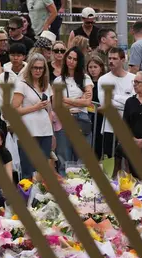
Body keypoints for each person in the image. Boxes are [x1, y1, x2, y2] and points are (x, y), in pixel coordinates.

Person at [12, 53, 54, 179]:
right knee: (28, 168)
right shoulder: (22, 85)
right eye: (35, 67)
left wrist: (52, 133)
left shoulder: (46, 86)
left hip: (45, 130)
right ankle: (26, 196)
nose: (38, 70)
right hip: (28, 130)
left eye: (40, 68)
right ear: (30, 68)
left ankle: (40, 196)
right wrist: (35, 107)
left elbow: (50, 110)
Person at [53, 47, 93, 175]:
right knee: (63, 155)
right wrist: (77, 100)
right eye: (69, 58)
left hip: (81, 119)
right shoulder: (58, 80)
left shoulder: (85, 78)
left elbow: (87, 102)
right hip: (63, 119)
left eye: (75, 59)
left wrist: (65, 99)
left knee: (82, 157)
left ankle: (81, 189)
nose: (71, 61)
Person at [115, 71, 142, 178]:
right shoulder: (130, 102)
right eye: (134, 82)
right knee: (135, 177)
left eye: (138, 82)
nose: (134, 84)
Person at [98, 48, 135, 160]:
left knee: (129, 161)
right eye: (109, 58)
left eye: (115, 58)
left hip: (129, 127)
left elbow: (134, 103)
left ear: (123, 60)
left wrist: (114, 96)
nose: (111, 61)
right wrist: (126, 102)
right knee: (110, 161)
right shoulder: (103, 79)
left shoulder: (133, 79)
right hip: (110, 127)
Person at [87, 55, 107, 159]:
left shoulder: (104, 82)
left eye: (95, 67)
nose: (93, 70)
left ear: (101, 68)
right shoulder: (86, 82)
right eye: (90, 67)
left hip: (100, 117)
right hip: (88, 117)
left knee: (99, 142)